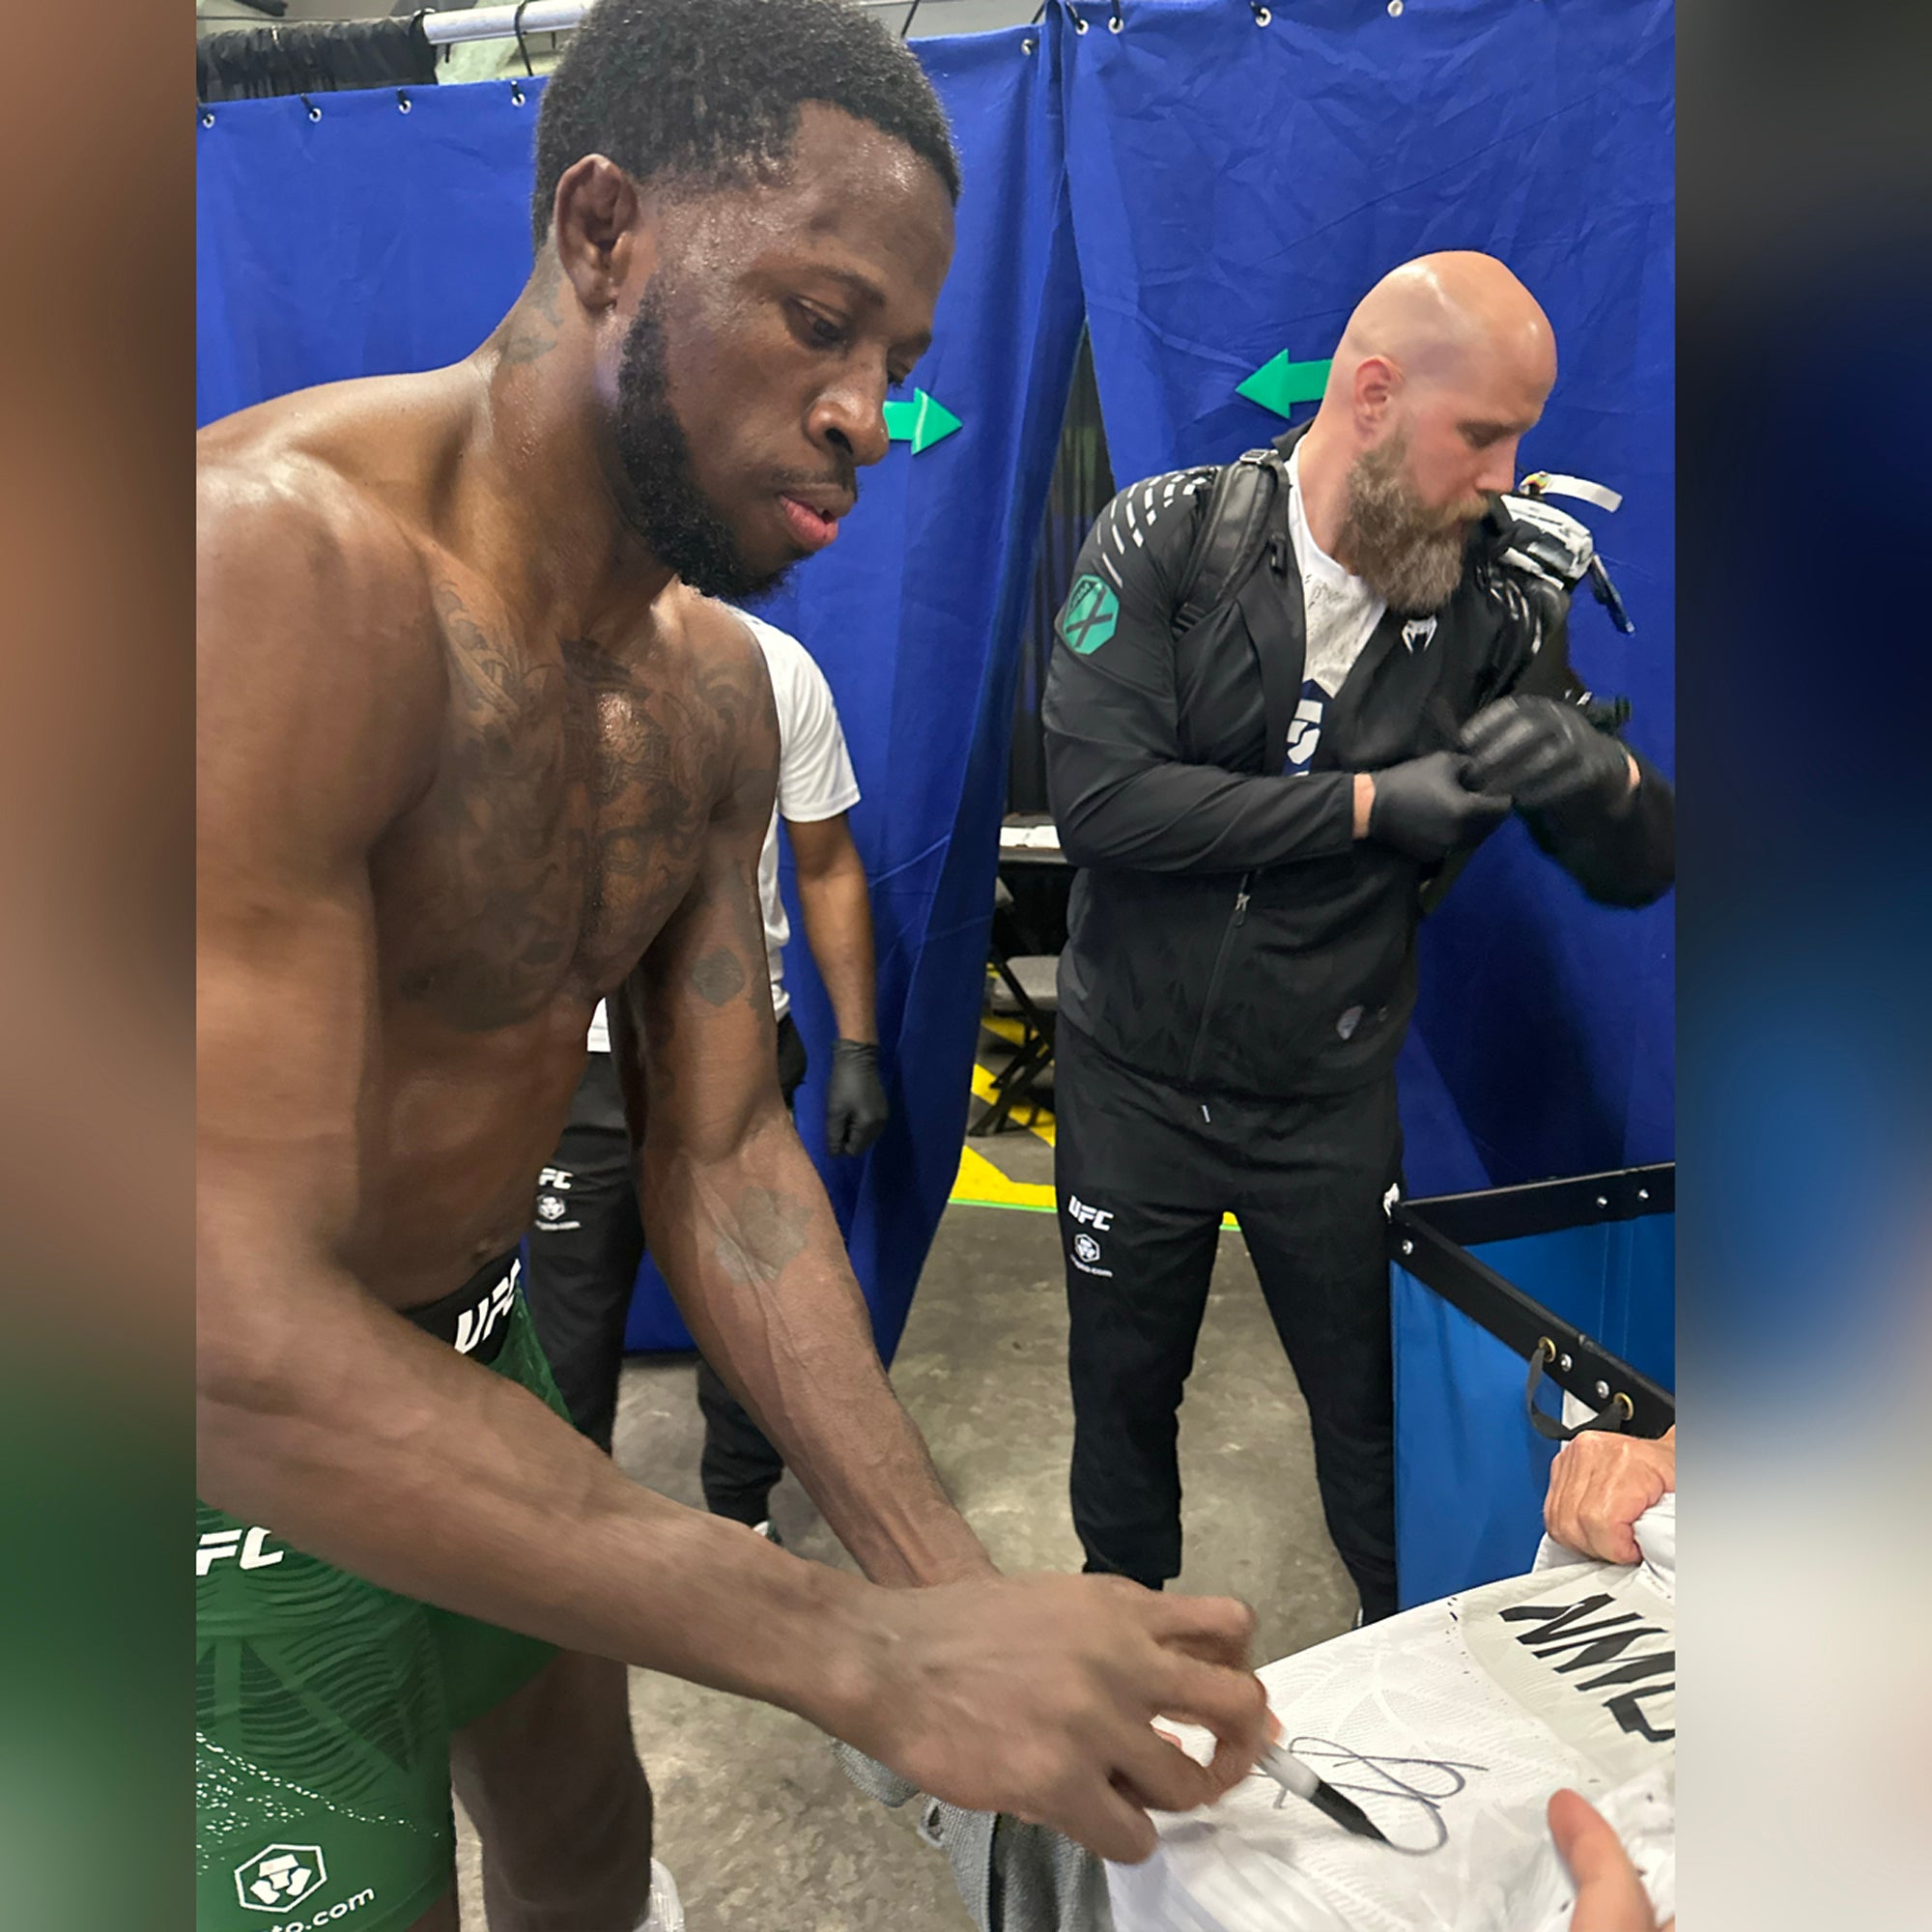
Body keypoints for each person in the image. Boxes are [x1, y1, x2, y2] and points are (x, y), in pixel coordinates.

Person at [195, 7, 1270, 1932]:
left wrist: (946, 1597)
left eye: (899, 364)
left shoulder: (705, 691)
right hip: (208, 1457)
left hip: (476, 1354)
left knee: (588, 1848)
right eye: (818, 320)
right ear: (606, 233)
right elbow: (221, 1331)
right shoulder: (271, 577)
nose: (866, 412)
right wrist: (854, 1651)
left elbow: (721, 1164)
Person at [1042, 252, 1675, 1626]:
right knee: (1120, 1401)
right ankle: (1118, 1653)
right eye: (1482, 435)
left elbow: (1638, 869)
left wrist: (1606, 785)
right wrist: (1371, 804)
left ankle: (1411, 1659)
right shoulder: (1171, 539)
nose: (1503, 479)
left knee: (1374, 1431)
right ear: (1374, 396)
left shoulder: (1498, 607)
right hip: (1127, 1081)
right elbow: (1102, 806)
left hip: (1323, 1102)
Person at [525, 607, 889, 1538]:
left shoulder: (773, 664)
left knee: (754, 1312)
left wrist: (857, 1045)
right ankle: (572, 1542)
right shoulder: (526, 653)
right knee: (567, 1326)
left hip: (735, 1050)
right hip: (573, 1058)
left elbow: (827, 864)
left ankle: (743, 1516)